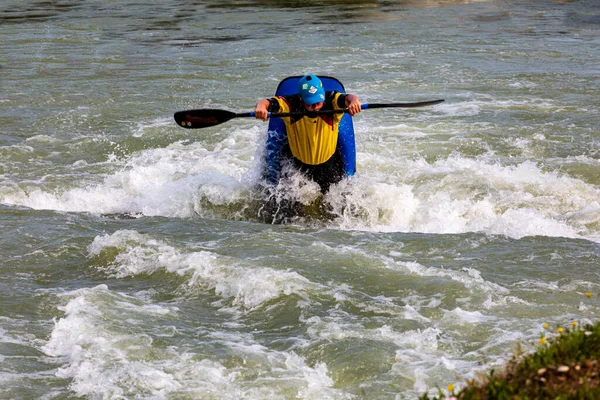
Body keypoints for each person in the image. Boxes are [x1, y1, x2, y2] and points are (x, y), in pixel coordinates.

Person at [254, 74, 362, 193]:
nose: (315, 106)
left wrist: (354, 101)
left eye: (318, 101)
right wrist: (261, 106)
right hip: (298, 167)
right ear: (301, 98)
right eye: (310, 103)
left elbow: (348, 98)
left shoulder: (332, 101)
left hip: (329, 164)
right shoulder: (290, 105)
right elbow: (269, 102)